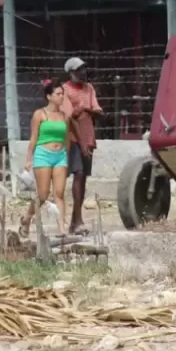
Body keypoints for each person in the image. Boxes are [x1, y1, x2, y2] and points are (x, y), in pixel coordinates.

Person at [23, 79, 71, 237]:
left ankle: (62, 228)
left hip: (60, 156)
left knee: (59, 194)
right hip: (43, 155)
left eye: (62, 94)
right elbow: (33, 138)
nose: (61, 97)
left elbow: (67, 139)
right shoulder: (40, 114)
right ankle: (27, 218)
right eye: (58, 94)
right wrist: (29, 159)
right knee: (43, 194)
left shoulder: (64, 116)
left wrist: (66, 156)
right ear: (49, 96)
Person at [62, 56, 102, 234]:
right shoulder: (65, 90)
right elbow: (69, 116)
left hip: (87, 136)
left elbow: (98, 111)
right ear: (71, 72)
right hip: (72, 138)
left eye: (84, 69)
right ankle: (77, 220)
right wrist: (82, 112)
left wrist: (85, 110)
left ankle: (75, 220)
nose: (83, 73)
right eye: (79, 70)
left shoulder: (89, 88)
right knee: (78, 173)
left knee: (83, 176)